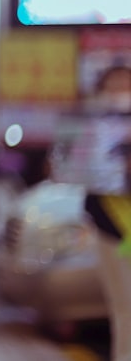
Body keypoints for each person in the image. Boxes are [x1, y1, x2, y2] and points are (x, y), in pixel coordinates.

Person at [82, 64, 131, 361]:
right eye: (112, 85)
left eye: (125, 84)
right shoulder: (89, 124)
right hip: (109, 228)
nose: (120, 91)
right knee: (122, 304)